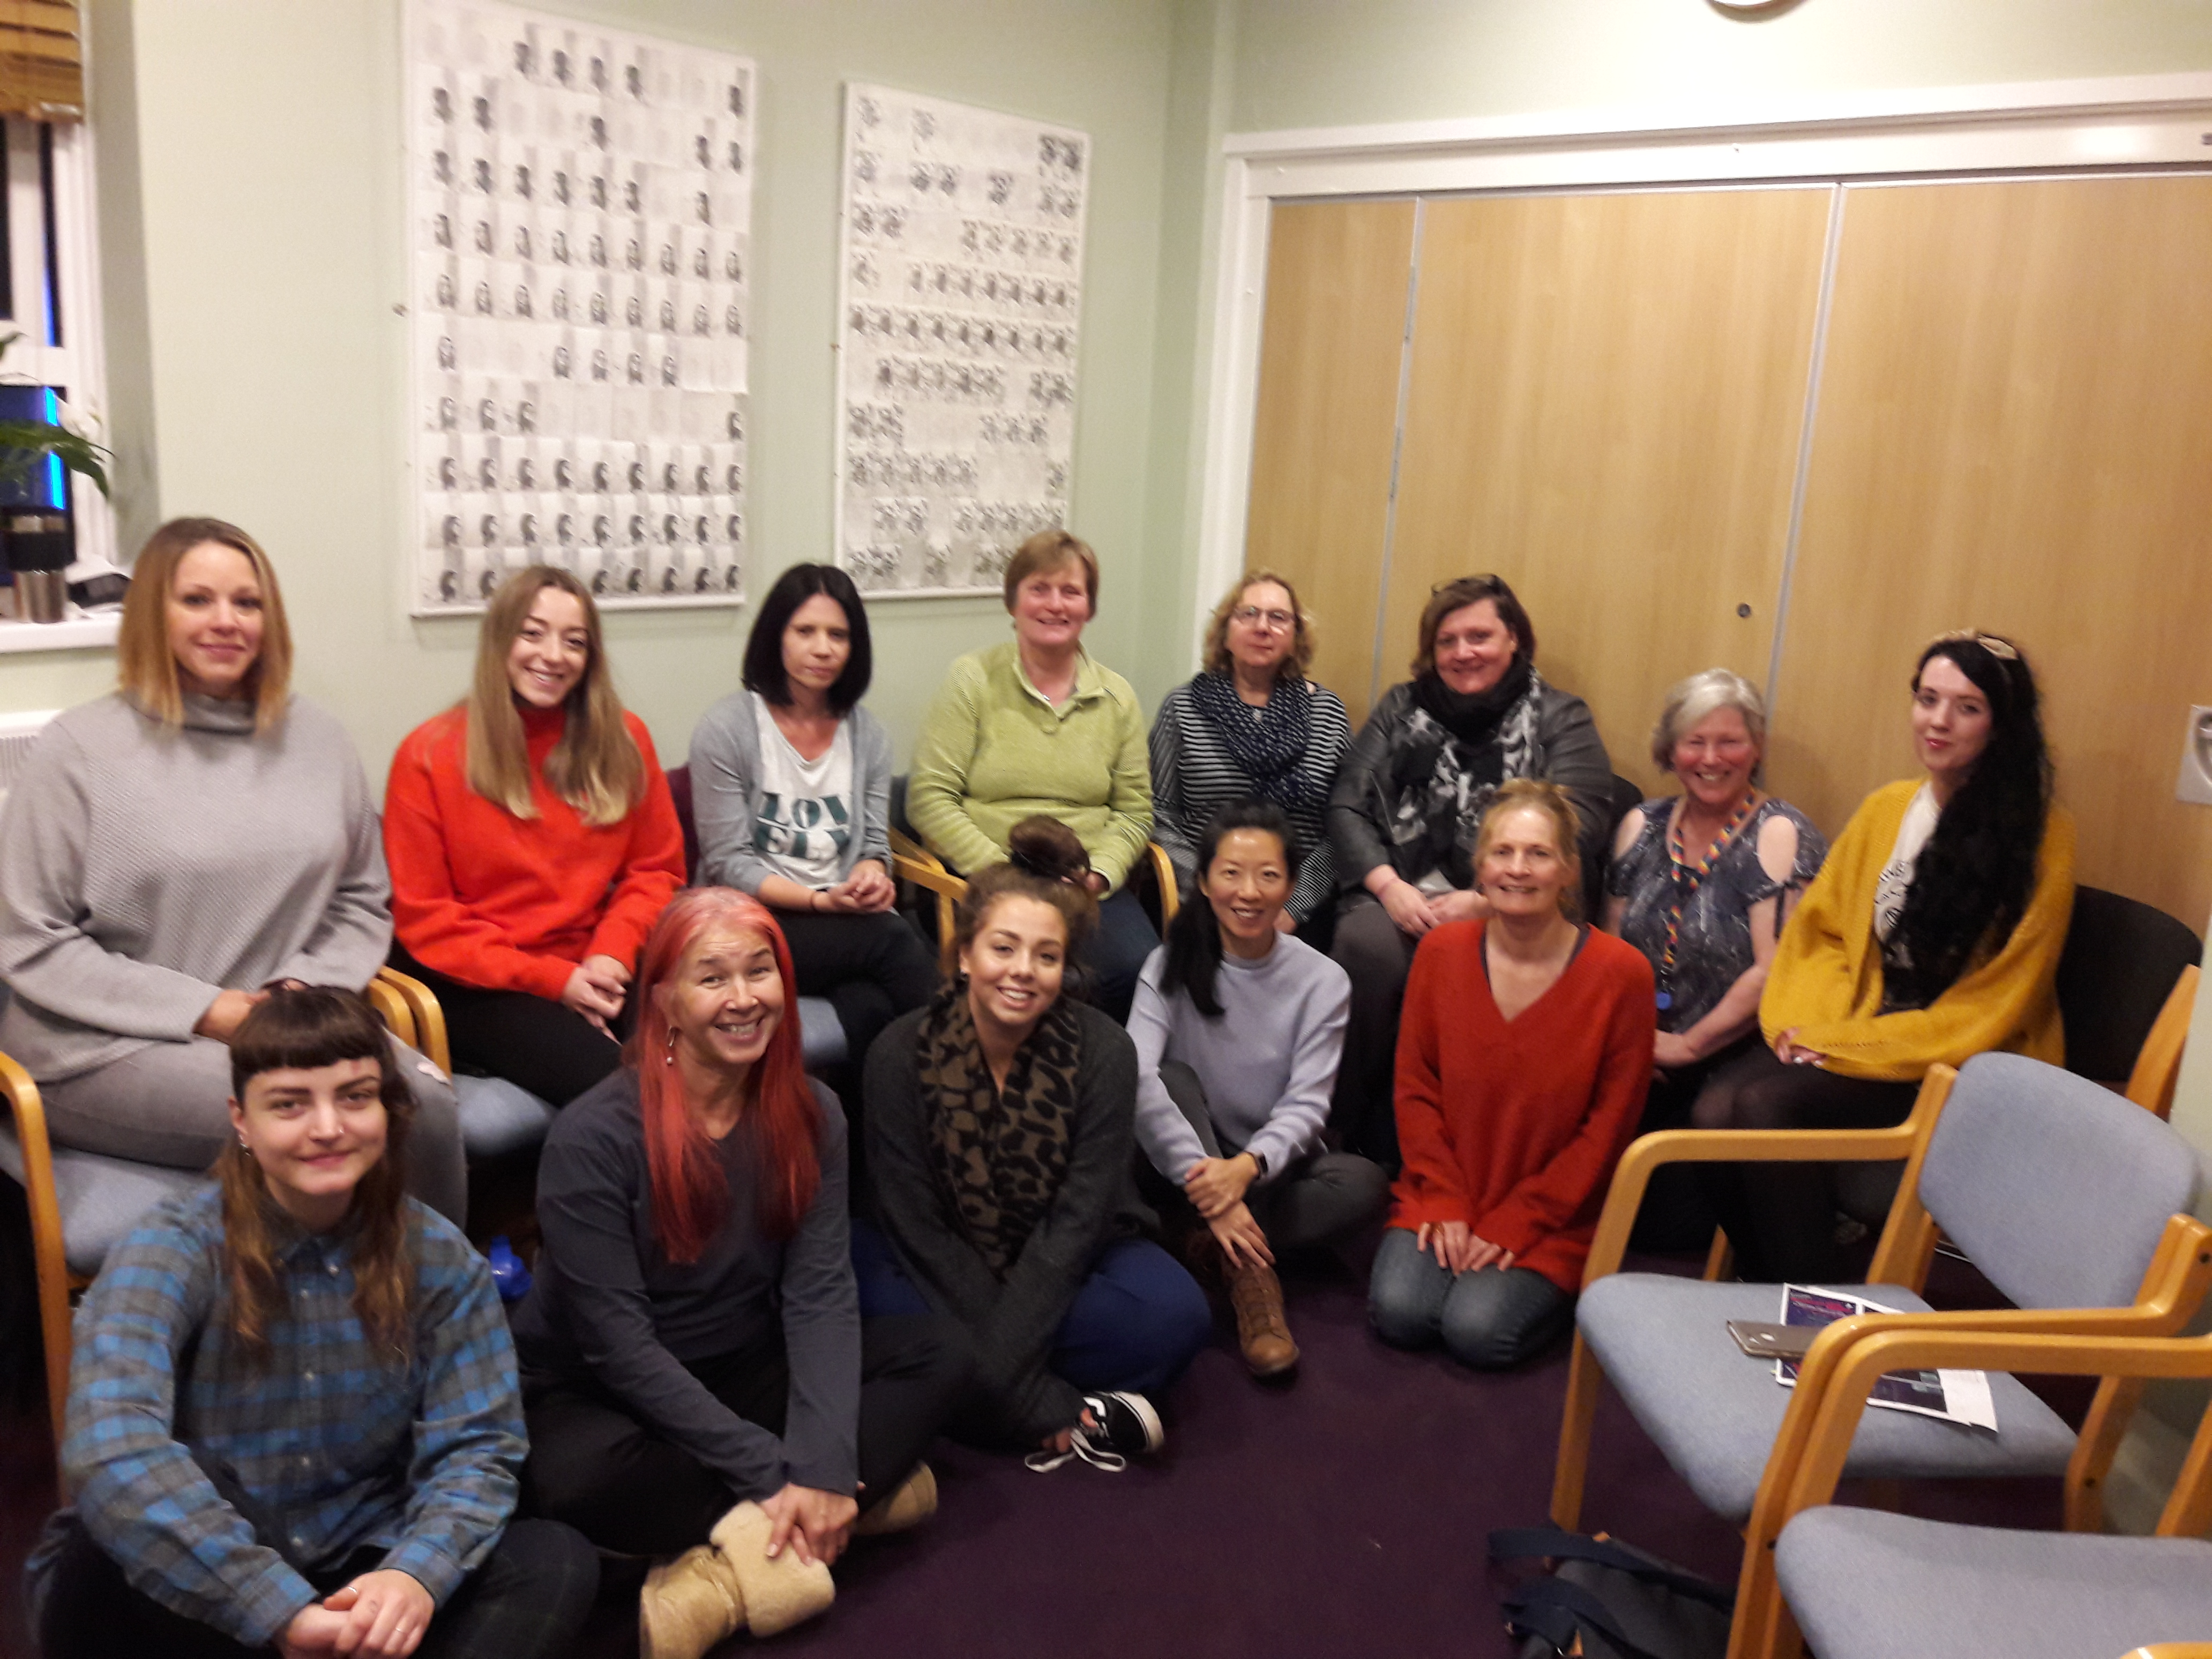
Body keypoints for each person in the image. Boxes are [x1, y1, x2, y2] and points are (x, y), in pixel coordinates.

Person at [26, 988, 598, 1659]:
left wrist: (415, 1575)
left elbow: (478, 1447)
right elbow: (111, 1445)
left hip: (360, 1561)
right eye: (290, 1104)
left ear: (387, 1110)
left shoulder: (442, 1259)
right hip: (216, 1568)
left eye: (355, 1097)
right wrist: (274, 1607)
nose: (327, 1127)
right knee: (106, 1548)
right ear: (242, 1119)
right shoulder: (169, 1247)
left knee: (554, 1561)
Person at [512, 889, 972, 1658]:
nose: (744, 998)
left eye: (761, 972)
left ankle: (721, 1574)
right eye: (713, 977)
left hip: (741, 1360)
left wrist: (821, 1461)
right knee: (568, 1481)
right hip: (602, 1391)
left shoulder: (816, 1111)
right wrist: (775, 1472)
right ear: (664, 1001)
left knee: (943, 1356)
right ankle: (845, 1510)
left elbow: (820, 1294)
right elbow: (619, 1348)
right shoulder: (591, 1138)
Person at [0, 517, 465, 1223]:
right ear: (154, 612)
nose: (226, 622)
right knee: (346, 1124)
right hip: (109, 1046)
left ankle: (425, 1321)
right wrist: (210, 1011)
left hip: (290, 1019)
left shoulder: (320, 740)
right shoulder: (77, 751)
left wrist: (300, 990)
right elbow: (33, 940)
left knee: (420, 1103)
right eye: (197, 600)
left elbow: (361, 899)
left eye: (246, 603)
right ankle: (336, 1324)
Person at [1692, 632, 2074, 1282]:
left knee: (1762, 1108)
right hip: (1859, 1027)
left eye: (1967, 707)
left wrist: (1846, 1047)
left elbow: (1996, 1004)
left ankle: (1817, 1313)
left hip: (1959, 1060)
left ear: (2003, 725)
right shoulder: (1886, 809)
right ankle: (1775, 1290)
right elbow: (1822, 935)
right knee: (1710, 1111)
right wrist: (1817, 1030)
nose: (1939, 721)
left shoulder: (2042, 840)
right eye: (1928, 699)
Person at [861, 817, 1211, 1471]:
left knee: (1176, 1314)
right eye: (1003, 949)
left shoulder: (1104, 1051)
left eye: (1046, 956)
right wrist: (1032, 1393)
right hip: (940, 1264)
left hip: (1068, 1264)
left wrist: (996, 1369)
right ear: (964, 954)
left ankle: (966, 1400)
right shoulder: (898, 1053)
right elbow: (916, 1225)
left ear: (1065, 967)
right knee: (865, 1298)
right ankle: (1052, 1407)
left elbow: (1077, 1225)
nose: (1022, 972)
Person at [1327, 574, 1613, 1166]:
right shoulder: (1400, 707)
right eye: (1447, 641)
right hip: (1399, 890)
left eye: (1479, 636)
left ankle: (1461, 1153)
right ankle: (1336, 1133)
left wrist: (1487, 901)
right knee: (1366, 946)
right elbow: (1347, 803)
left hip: (1512, 904)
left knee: (1472, 958)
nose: (1463, 653)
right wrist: (1388, 886)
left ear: (1514, 640)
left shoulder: (1561, 717)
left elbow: (1581, 824)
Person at [1370, 781, 1654, 1370]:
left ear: (1570, 870)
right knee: (1400, 1313)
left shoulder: (1622, 975)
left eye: (1539, 854)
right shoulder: (1441, 952)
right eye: (1502, 853)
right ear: (1480, 866)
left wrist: (1521, 1219)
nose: (1518, 870)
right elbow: (1415, 1089)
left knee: (1478, 1331)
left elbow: (1609, 1129)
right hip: (1443, 1191)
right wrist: (1446, 1199)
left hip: (1555, 1213)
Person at [384, 565, 686, 1107]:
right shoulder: (428, 755)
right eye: (532, 633)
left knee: (703, 1065)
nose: (553, 655)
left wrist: (610, 958)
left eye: (574, 642)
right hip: (480, 983)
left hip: (596, 960)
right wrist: (557, 982)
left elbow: (655, 872)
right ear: (501, 638)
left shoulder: (624, 738)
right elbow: (428, 922)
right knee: (632, 1098)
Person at [1129, 802, 1386, 1377]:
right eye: (1231, 873)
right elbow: (1138, 1076)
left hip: (1260, 1167)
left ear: (1291, 884)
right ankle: (1250, 1274)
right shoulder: (1169, 961)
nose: (1249, 892)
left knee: (1361, 1183)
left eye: (1268, 875)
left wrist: (1243, 1171)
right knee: (1173, 1079)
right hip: (1184, 1158)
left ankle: (1203, 1242)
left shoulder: (1322, 980)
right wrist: (1208, 1183)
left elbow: (1308, 1104)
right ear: (1203, 880)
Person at [689, 563, 937, 1086]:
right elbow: (729, 863)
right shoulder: (727, 727)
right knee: (893, 941)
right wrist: (823, 902)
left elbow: (873, 840)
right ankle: (968, 1072)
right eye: (805, 631)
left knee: (871, 1007)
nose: (823, 648)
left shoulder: (866, 733)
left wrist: (871, 872)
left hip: (841, 923)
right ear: (776, 636)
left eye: (838, 635)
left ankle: (868, 1156)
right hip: (743, 922)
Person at [1602, 669, 1825, 1248]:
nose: (1711, 758)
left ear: (1756, 749)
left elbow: (1772, 969)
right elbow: (1611, 949)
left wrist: (1687, 1045)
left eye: (1730, 741)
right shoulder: (1642, 825)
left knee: (1673, 1229)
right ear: (1669, 750)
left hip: (1734, 1049)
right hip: (1646, 1039)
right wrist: (1631, 1035)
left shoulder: (1778, 833)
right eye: (1694, 742)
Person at [907, 530, 1157, 1022]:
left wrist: (1097, 875)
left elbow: (1134, 812)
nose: (1055, 605)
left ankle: (1102, 1087)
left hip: (1085, 888)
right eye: (1039, 589)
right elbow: (929, 798)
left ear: (1089, 607)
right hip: (986, 880)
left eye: (1071, 591)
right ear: (1013, 601)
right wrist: (1000, 873)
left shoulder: (1117, 696)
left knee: (1138, 967)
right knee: (1017, 974)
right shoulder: (972, 678)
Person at [1148, 571, 1353, 941]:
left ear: (1295, 637)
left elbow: (1343, 824)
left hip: (1302, 907)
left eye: (1278, 618)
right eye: (1249, 614)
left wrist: (1293, 905)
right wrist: (1213, 891)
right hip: (1203, 899)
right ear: (1226, 633)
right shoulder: (1182, 708)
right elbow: (1160, 812)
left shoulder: (1328, 713)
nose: (1263, 627)